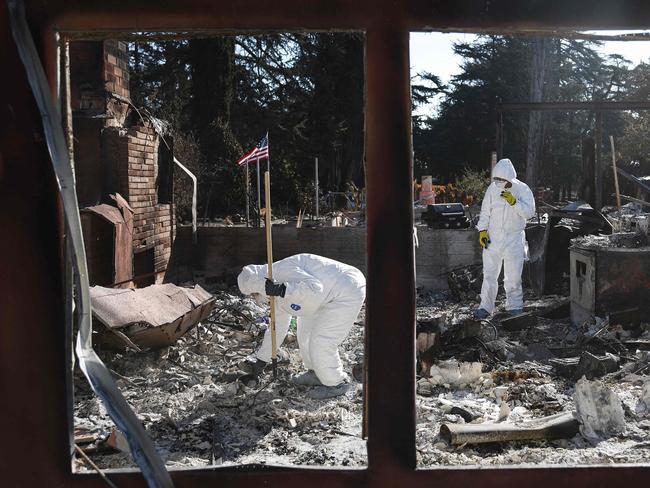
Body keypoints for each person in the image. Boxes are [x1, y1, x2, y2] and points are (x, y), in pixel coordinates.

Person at [237, 253, 366, 399]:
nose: (255, 298)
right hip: (320, 298)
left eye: (254, 294)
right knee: (304, 335)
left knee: (322, 341)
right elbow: (277, 328)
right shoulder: (272, 291)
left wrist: (282, 290)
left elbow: (315, 287)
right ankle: (316, 372)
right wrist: (262, 359)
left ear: (258, 285)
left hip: (347, 289)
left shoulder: (282, 272)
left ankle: (337, 383)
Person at [474, 158, 535, 319]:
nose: (498, 182)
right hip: (492, 238)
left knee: (513, 276)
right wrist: (482, 231)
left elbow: (529, 213)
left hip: (514, 238)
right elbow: (485, 212)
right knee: (489, 275)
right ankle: (485, 307)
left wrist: (515, 203)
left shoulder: (522, 189)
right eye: (497, 179)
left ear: (509, 178)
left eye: (501, 180)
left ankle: (514, 307)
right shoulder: (492, 189)